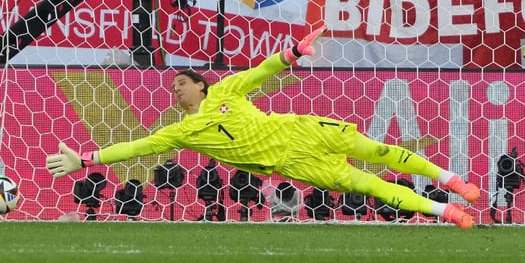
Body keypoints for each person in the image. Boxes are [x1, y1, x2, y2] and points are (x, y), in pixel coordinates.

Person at [46, 27, 481, 229]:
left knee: (379, 151)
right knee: (368, 184)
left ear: (200, 84)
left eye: (181, 83)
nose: (175, 91)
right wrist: (87, 158)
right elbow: (138, 147)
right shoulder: (181, 131)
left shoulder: (225, 92)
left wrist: (292, 53)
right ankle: (448, 213)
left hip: (304, 130)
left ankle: (451, 181)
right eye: (173, 87)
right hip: (291, 162)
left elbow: (259, 72)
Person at [489, 148, 525, 224]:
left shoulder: (517, 165)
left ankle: (509, 217)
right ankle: (507, 217)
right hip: (505, 179)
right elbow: (500, 166)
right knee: (507, 198)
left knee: (509, 198)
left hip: (512, 181)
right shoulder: (503, 161)